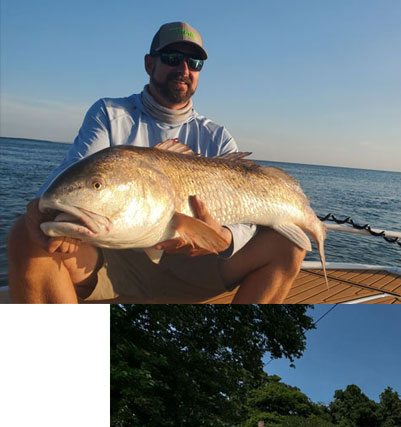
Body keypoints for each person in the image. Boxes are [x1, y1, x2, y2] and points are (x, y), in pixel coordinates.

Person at [7, 21, 304, 304]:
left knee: (291, 245)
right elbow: (75, 170)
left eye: (194, 63)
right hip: (113, 264)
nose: (184, 69)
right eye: (173, 58)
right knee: (26, 234)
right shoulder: (109, 113)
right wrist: (46, 212)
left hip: (198, 267)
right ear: (150, 64)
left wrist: (223, 237)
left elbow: (247, 217)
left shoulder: (218, 137)